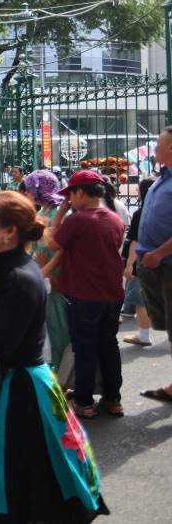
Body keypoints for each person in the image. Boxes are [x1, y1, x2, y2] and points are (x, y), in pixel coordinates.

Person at [0, 191, 109, 523]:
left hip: (22, 393)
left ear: (8, 232)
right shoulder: (7, 267)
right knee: (30, 478)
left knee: (25, 482)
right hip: (19, 387)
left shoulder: (16, 276)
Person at [44, 170, 126, 418]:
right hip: (112, 293)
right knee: (108, 346)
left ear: (80, 192)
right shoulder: (114, 219)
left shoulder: (78, 220)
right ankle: (113, 400)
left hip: (84, 295)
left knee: (85, 349)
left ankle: (85, 401)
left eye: (70, 194)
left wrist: (60, 212)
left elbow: (50, 242)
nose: (68, 200)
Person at [138, 126, 172, 404]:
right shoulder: (162, 179)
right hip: (155, 265)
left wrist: (160, 253)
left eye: (158, 143)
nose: (154, 148)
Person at [24, 168, 70, 368]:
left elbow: (63, 248)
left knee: (59, 327)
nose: (26, 193)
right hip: (43, 276)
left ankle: (63, 371)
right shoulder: (43, 211)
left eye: (28, 189)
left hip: (57, 278)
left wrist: (46, 268)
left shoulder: (61, 214)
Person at [123, 178, 155, 347]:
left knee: (140, 299)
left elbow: (135, 241)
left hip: (144, 260)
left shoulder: (141, 213)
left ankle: (144, 336)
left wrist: (129, 264)